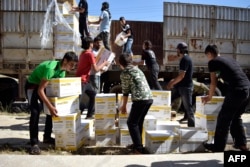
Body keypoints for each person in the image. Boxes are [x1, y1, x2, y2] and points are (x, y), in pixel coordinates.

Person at [25, 51, 78, 155]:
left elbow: (59, 90)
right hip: (32, 86)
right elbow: (40, 90)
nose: (72, 67)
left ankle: (47, 137)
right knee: (35, 112)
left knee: (53, 108)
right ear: (65, 60)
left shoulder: (63, 72)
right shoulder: (51, 69)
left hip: (42, 87)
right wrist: (49, 106)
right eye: (71, 64)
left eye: (74, 65)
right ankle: (34, 144)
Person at [202, 44, 250, 152]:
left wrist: (209, 96)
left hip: (236, 90)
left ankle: (218, 147)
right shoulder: (229, 59)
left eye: (207, 56)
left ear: (209, 54)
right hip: (247, 89)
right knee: (236, 116)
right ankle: (242, 144)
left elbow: (213, 83)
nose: (207, 58)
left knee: (224, 118)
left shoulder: (213, 62)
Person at [118, 53, 153, 154]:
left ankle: (138, 149)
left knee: (131, 123)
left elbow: (125, 92)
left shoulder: (125, 72)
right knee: (138, 122)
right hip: (149, 98)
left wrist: (123, 106)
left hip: (140, 99)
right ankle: (138, 144)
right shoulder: (137, 69)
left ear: (120, 63)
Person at [76, 36, 109, 119]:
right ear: (90, 44)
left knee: (93, 95)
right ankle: (76, 117)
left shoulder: (83, 53)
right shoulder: (90, 54)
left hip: (84, 80)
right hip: (82, 80)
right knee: (78, 100)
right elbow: (96, 69)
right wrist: (104, 63)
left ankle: (89, 115)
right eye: (92, 43)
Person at [166, 42, 195, 127]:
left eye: (177, 50)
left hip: (186, 87)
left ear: (180, 50)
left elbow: (182, 76)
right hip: (181, 87)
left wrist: (172, 83)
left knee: (188, 108)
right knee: (169, 99)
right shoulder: (184, 59)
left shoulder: (185, 59)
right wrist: (174, 82)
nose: (177, 51)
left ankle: (192, 127)